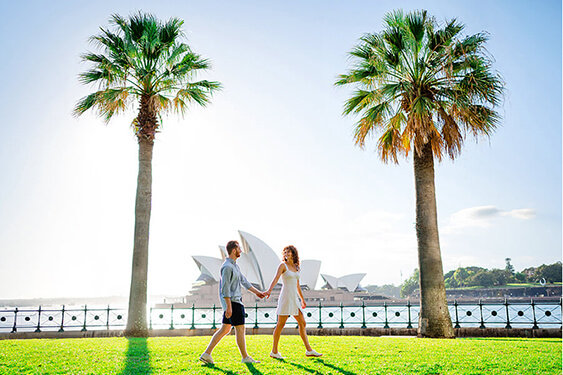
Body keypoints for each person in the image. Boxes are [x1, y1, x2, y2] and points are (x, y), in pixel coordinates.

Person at [199, 240, 266, 365]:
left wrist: (257, 292)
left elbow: (244, 281)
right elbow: (225, 288)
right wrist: (228, 307)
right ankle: (245, 357)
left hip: (234, 303)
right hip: (233, 303)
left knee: (225, 329)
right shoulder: (227, 267)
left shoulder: (235, 265)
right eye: (239, 248)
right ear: (234, 250)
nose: (241, 250)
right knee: (240, 330)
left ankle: (206, 354)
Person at [265, 245, 322, 359]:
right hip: (286, 297)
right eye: (285, 252)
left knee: (302, 323)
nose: (286, 253)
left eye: (288, 251)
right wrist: (269, 290)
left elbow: (297, 285)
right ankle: (274, 351)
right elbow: (276, 278)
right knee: (280, 325)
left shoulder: (296, 267)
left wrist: (302, 299)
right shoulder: (283, 266)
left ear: (293, 253)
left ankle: (309, 350)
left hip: (294, 298)